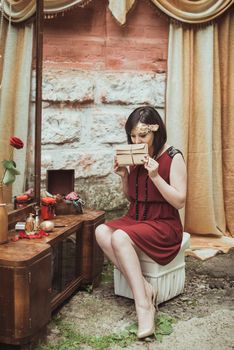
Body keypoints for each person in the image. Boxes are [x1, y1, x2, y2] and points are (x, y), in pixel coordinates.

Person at [95, 106, 187, 339]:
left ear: (156, 133)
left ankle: (143, 306)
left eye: (142, 136)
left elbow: (179, 201)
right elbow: (132, 197)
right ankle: (145, 289)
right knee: (100, 231)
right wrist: (125, 176)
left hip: (164, 223)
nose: (137, 141)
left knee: (119, 236)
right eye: (132, 136)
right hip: (136, 217)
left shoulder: (173, 157)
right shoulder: (136, 157)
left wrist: (155, 177)